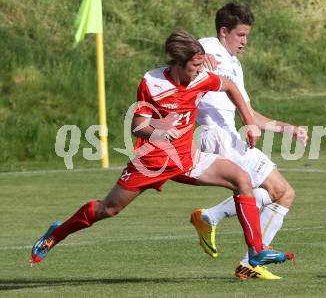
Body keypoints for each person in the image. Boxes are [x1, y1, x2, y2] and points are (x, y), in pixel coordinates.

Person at [30, 29, 294, 271]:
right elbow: (137, 126)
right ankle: (57, 233)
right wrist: (158, 132)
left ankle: (256, 251)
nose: (199, 70)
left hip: (188, 159)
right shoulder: (153, 83)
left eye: (201, 64)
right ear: (178, 64)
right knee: (107, 209)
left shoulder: (200, 78)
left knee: (242, 179)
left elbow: (230, 86)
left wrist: (249, 122)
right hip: (153, 161)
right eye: (194, 66)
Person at [189, 3, 308, 279]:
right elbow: (184, 50)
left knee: (277, 194)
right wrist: (198, 56)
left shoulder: (235, 65)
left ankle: (210, 218)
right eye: (240, 35)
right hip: (216, 136)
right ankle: (251, 262)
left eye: (247, 36)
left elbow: (249, 113)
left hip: (230, 136)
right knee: (283, 192)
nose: (245, 42)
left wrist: (286, 128)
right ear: (223, 32)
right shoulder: (209, 46)